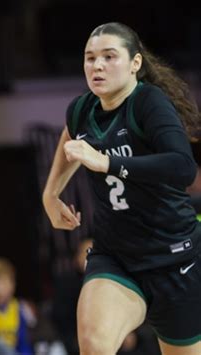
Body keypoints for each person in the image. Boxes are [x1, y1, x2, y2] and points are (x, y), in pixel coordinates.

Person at [42, 22, 200, 355]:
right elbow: (71, 138)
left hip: (175, 258)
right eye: (90, 58)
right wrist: (51, 192)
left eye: (109, 57)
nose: (97, 65)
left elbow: (182, 166)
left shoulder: (149, 103)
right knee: (95, 345)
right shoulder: (82, 109)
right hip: (116, 257)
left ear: (135, 64)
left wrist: (108, 163)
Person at [0, 257, 36, 355]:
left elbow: (23, 342)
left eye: (9, 281)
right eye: (0, 281)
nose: (6, 285)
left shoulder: (18, 308)